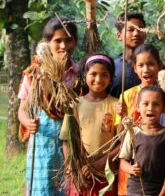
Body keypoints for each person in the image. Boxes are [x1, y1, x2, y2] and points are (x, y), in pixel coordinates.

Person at [17, 16, 79, 196]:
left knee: (67, 188)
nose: (63, 46)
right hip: (42, 143)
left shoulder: (79, 75)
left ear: (74, 42)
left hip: (70, 143)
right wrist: (28, 122)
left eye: (68, 40)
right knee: (42, 189)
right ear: (47, 43)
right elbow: (23, 109)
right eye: (57, 41)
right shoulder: (34, 73)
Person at [60, 53, 119, 196]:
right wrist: (74, 168)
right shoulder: (75, 104)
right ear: (84, 75)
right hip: (80, 173)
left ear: (111, 77)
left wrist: (100, 163)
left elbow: (122, 143)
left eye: (104, 74)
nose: (98, 79)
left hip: (106, 173)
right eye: (93, 74)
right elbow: (67, 141)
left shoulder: (117, 105)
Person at [116, 44, 162, 196]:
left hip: (158, 161)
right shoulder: (127, 96)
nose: (146, 69)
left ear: (159, 65)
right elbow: (120, 137)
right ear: (134, 68)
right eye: (141, 65)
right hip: (132, 164)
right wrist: (123, 117)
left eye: (151, 64)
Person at [119, 86, 165, 196]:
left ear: (163, 108)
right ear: (138, 107)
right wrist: (131, 169)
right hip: (135, 190)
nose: (150, 108)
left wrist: (164, 191)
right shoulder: (132, 132)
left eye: (156, 104)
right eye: (146, 104)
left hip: (159, 190)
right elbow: (123, 162)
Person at [109, 12, 146, 98]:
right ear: (119, 36)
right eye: (131, 29)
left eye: (140, 29)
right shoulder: (111, 68)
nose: (136, 33)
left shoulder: (156, 66)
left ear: (145, 34)